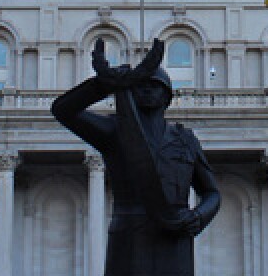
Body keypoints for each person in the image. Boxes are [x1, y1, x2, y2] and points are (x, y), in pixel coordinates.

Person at [52, 38, 221, 276]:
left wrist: (199, 216)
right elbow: (63, 110)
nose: (148, 89)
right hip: (130, 237)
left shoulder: (185, 139)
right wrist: (105, 84)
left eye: (155, 85)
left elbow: (211, 191)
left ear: (167, 96)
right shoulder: (114, 131)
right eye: (141, 85)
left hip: (175, 234)